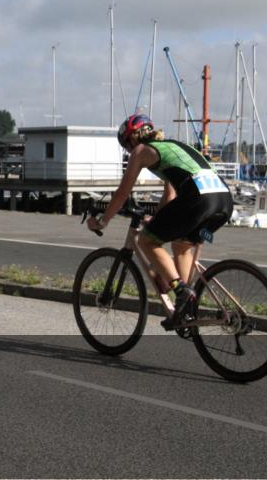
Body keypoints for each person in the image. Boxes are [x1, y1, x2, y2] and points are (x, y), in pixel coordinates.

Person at [86, 114, 234, 328]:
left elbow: (122, 193)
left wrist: (103, 221)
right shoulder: (172, 146)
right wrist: (156, 219)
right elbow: (170, 196)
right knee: (181, 245)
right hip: (224, 201)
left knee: (147, 241)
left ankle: (181, 291)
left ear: (132, 139)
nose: (128, 151)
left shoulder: (141, 151)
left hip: (199, 200)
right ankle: (185, 308)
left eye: (126, 146)